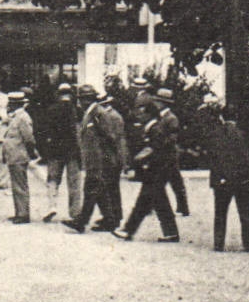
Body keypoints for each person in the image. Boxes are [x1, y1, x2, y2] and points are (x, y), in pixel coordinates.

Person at [115, 100, 180, 243]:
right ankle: (171, 233)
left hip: (157, 169)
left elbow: (153, 149)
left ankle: (128, 230)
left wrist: (135, 160)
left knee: (144, 201)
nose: (139, 114)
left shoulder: (155, 129)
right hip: (158, 169)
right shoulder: (153, 127)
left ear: (149, 114)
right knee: (159, 201)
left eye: (142, 111)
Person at [64, 86, 124, 234]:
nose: (81, 102)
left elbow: (109, 136)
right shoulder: (90, 113)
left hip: (100, 160)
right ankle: (108, 220)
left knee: (91, 189)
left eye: (83, 99)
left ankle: (81, 221)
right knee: (98, 191)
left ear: (89, 99)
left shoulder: (98, 113)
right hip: (92, 160)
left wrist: (106, 158)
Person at [200, 97, 249, 252]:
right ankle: (248, 244)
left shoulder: (215, 134)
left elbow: (212, 155)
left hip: (222, 179)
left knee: (220, 213)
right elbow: (247, 154)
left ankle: (218, 244)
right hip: (242, 179)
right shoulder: (242, 134)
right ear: (236, 118)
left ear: (222, 117)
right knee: (245, 213)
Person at [35, 83, 77, 223]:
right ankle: (75, 212)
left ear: (58, 94)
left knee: (52, 180)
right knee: (74, 183)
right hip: (72, 151)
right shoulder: (77, 110)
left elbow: (43, 131)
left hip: (55, 150)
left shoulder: (51, 109)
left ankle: (52, 206)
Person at [1, 90, 38, 224]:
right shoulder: (15, 117)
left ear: (16, 104)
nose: (8, 105)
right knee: (16, 186)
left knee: (20, 186)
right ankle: (19, 212)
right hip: (13, 155)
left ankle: (23, 214)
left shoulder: (23, 117)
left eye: (11, 103)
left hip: (19, 155)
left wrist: (30, 153)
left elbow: (28, 138)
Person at [152, 88, 190, 217]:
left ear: (164, 103)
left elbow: (172, 138)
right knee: (173, 182)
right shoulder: (162, 117)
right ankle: (182, 207)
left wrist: (159, 143)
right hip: (164, 154)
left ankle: (183, 207)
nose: (156, 104)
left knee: (172, 182)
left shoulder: (171, 118)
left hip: (168, 155)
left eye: (158, 102)